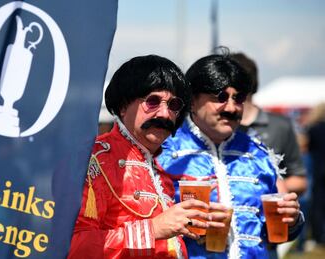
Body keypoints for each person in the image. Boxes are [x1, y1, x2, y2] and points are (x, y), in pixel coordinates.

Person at [68, 55, 227, 258]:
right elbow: (74, 246)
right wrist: (152, 229)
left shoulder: (158, 165)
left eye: (174, 105)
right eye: (152, 101)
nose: (165, 114)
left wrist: (194, 224)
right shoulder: (94, 160)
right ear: (123, 105)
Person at [158, 52, 304, 258]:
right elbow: (143, 225)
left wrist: (294, 219)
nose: (231, 107)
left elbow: (278, 233)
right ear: (191, 101)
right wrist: (186, 227)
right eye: (221, 97)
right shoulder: (162, 152)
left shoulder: (259, 153)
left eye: (239, 98)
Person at [232, 52, 307, 196]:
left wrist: (261, 186)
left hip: (268, 212)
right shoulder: (219, 127)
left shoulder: (280, 125)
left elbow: (300, 180)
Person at [306, 102, 325, 245]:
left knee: (317, 203)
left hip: (319, 169)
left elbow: (309, 148)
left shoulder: (313, 129)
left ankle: (318, 235)